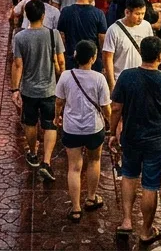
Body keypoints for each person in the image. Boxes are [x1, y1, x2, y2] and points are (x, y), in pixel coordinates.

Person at [109, 35, 161, 248]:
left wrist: (112, 132)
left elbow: (116, 107)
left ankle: (126, 221)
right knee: (151, 185)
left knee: (129, 176)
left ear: (141, 53)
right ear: (160, 56)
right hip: (155, 141)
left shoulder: (126, 76)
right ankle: (146, 231)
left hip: (130, 137)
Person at [10, 0, 65, 182]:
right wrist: (63, 80)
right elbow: (61, 62)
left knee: (31, 123)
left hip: (29, 90)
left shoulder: (20, 37)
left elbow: (18, 65)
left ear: (26, 16)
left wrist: (15, 89)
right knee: (50, 124)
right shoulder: (53, 34)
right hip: (49, 89)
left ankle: (33, 153)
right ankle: (47, 162)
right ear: (43, 16)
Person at [56, 40, 110, 222]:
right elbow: (106, 107)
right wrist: (113, 122)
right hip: (94, 128)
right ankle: (91, 198)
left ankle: (76, 208)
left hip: (71, 128)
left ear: (76, 57)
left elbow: (59, 101)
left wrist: (57, 117)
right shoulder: (99, 78)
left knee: (74, 167)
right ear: (93, 58)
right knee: (94, 161)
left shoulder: (65, 76)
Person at [102, 0, 156, 92]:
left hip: (142, 80)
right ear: (127, 12)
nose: (140, 17)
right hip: (121, 80)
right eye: (137, 14)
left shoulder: (146, 26)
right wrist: (112, 84)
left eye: (143, 14)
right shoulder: (113, 30)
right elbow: (108, 58)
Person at [60, 0, 109, 72]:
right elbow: (102, 40)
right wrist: (103, 62)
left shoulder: (66, 12)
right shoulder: (98, 14)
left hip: (71, 61)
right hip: (92, 63)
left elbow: (62, 38)